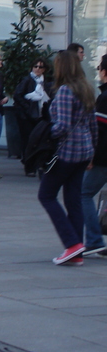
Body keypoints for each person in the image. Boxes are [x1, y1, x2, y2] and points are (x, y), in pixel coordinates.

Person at [38, 50, 97, 266]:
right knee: (73, 199)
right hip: (84, 151)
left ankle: (72, 244)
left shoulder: (64, 92)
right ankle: (77, 252)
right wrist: (93, 152)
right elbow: (92, 125)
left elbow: (61, 126)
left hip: (66, 152)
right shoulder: (87, 90)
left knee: (46, 195)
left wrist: (46, 133)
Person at [80, 54, 107, 258]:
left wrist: (91, 156)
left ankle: (94, 240)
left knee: (85, 193)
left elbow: (100, 131)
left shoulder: (104, 98)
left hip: (103, 157)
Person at [13, 57, 52, 176]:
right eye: (35, 66)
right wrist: (27, 108)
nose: (37, 69)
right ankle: (29, 166)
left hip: (40, 115)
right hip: (26, 117)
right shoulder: (27, 80)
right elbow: (17, 95)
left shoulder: (46, 82)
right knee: (28, 140)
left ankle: (36, 164)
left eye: (40, 67)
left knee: (39, 141)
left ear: (44, 69)